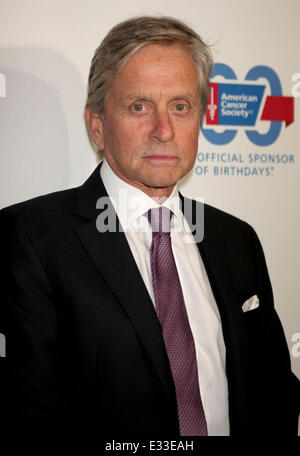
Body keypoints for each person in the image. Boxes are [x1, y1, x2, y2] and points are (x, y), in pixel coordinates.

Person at [0, 16, 299, 442]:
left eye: (180, 106)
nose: (163, 130)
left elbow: (273, 394)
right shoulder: (29, 238)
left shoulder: (237, 239)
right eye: (139, 106)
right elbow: (29, 414)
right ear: (98, 125)